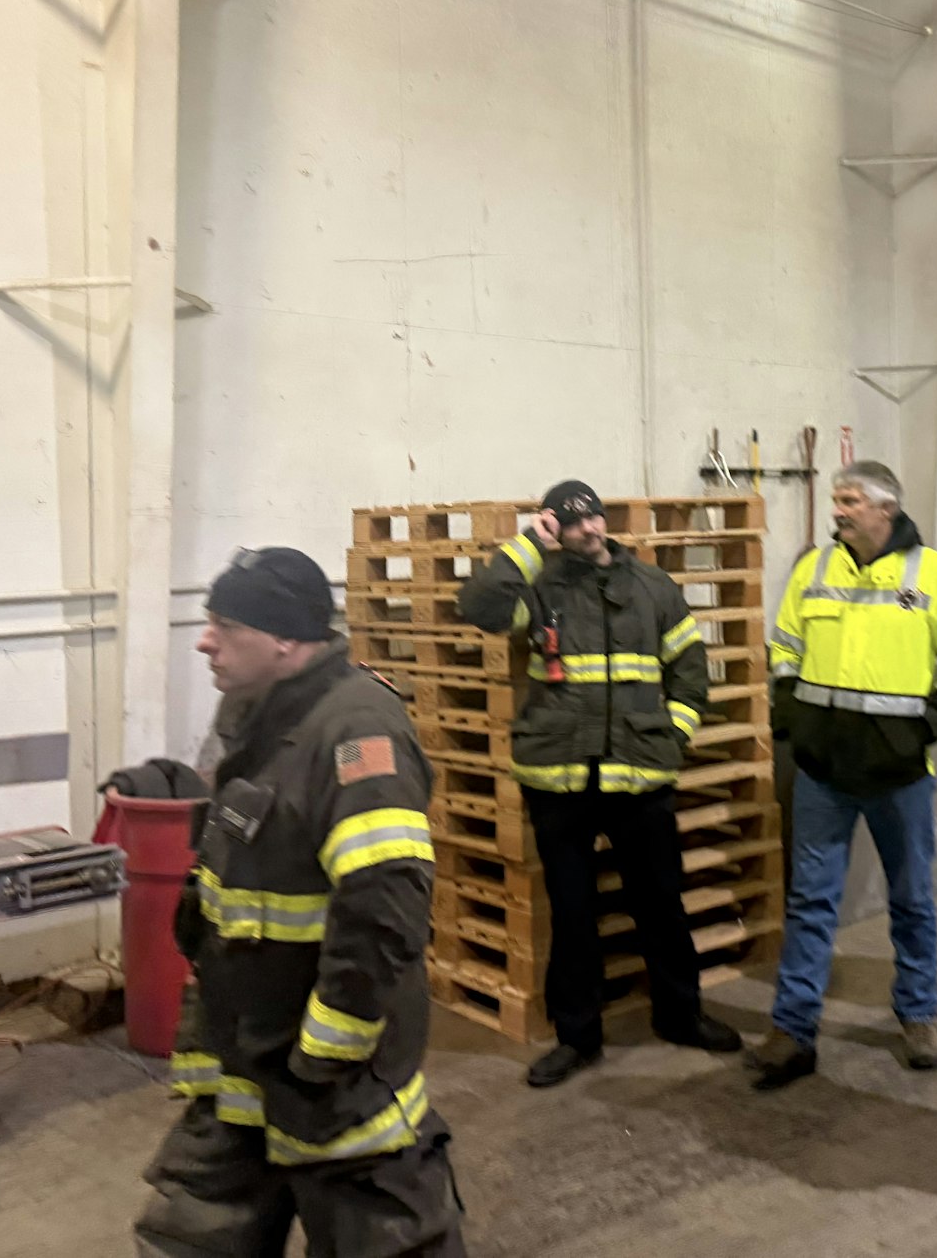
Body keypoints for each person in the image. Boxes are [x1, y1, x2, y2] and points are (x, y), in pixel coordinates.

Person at [136, 548, 464, 1258]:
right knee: (190, 1232)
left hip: (328, 1076)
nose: (205, 642)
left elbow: (383, 910)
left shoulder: (358, 733)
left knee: (380, 1237)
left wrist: (327, 1055)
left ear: (285, 637)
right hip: (246, 1053)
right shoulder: (253, 712)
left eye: (226, 626)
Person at [456, 480, 742, 1088]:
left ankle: (681, 1016)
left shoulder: (654, 587)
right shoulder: (539, 586)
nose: (588, 529)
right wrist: (528, 546)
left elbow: (690, 672)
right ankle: (577, 1038)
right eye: (572, 522)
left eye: (594, 518)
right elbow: (480, 608)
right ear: (555, 527)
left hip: (640, 777)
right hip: (560, 781)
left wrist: (673, 736)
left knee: (661, 904)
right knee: (573, 914)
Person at [748, 461, 937, 1090]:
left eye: (850, 500)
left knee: (912, 899)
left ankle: (918, 1015)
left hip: (897, 775)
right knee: (810, 902)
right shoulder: (814, 569)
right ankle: (793, 1029)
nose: (838, 509)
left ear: (886, 509)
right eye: (836, 499)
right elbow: (785, 646)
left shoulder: (934, 575)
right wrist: (792, 713)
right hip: (823, 771)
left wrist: (925, 728)